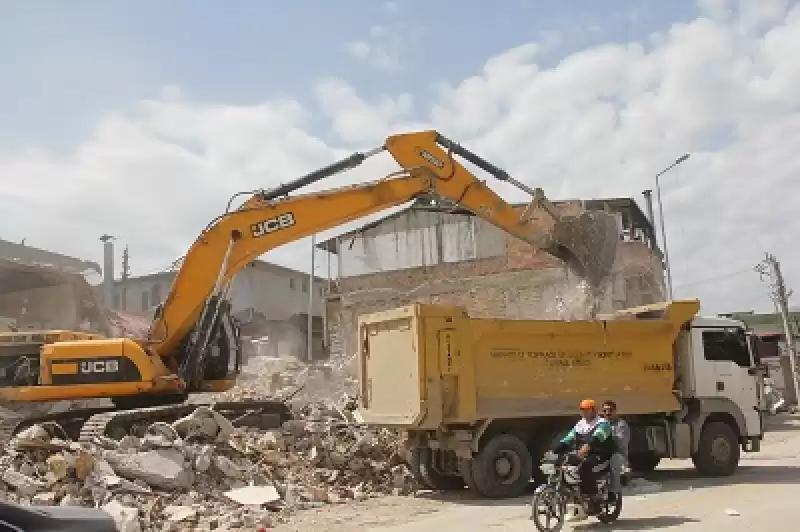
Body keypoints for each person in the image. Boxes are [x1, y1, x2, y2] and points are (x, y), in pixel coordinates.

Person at [551, 399, 615, 512]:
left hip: (600, 455)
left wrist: (588, 446)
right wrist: (555, 450)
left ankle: (595, 498)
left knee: (585, 467)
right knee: (562, 463)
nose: (584, 412)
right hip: (582, 454)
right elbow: (569, 439)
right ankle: (574, 494)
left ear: (594, 410)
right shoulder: (580, 425)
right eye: (582, 410)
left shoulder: (603, 423)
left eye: (587, 410)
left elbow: (597, 438)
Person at [602, 400, 630, 495]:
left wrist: (607, 437)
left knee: (614, 461)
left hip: (618, 454)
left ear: (615, 411)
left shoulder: (621, 424)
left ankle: (613, 492)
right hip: (603, 453)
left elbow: (621, 442)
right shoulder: (601, 424)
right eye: (605, 411)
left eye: (610, 410)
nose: (607, 413)